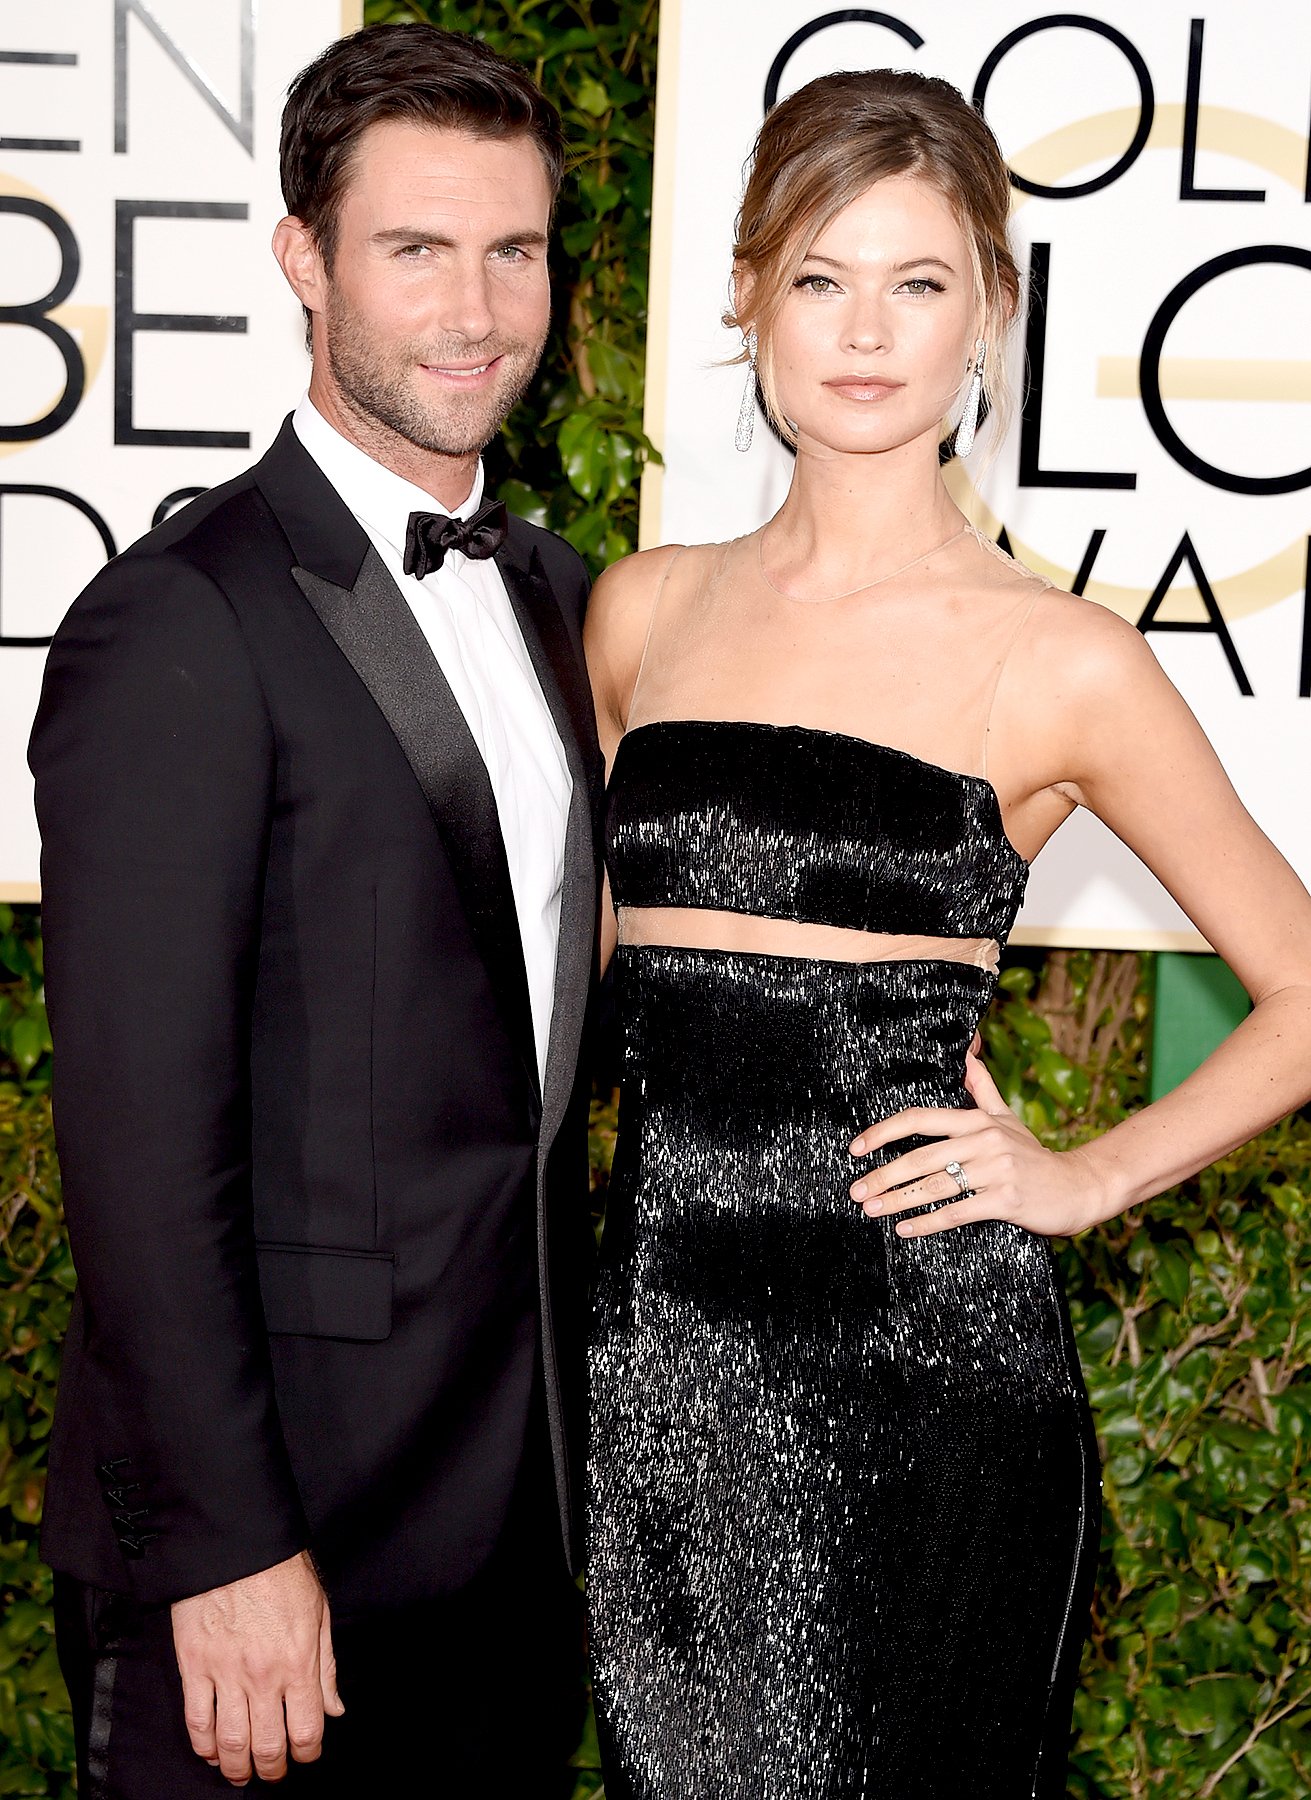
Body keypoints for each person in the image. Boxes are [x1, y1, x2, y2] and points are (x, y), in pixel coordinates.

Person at [583, 68, 1311, 1799]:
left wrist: (1088, 1175)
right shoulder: (641, 609)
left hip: (925, 1379)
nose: (864, 332)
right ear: (747, 294)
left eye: (916, 282)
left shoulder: (1062, 659)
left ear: (988, 308)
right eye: (819, 277)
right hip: (655, 1372)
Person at [31, 23, 600, 1797]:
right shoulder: (181, 618)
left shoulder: (567, 599)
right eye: (415, 248)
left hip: (516, 1534)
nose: (476, 310)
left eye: (513, 250)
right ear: (304, 258)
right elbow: (136, 1138)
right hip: (273, 1546)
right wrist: (223, 1547)